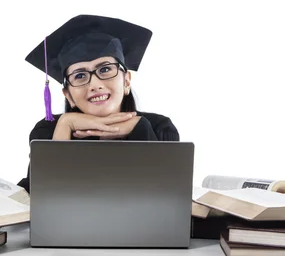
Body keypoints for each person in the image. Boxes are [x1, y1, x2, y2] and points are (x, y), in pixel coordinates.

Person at [17, 14, 179, 193]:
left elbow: (166, 198)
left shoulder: (160, 128)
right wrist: (65, 124)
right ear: (68, 95)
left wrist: (140, 128)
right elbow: (43, 199)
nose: (95, 84)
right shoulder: (47, 132)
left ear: (126, 81)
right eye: (79, 75)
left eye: (105, 69)